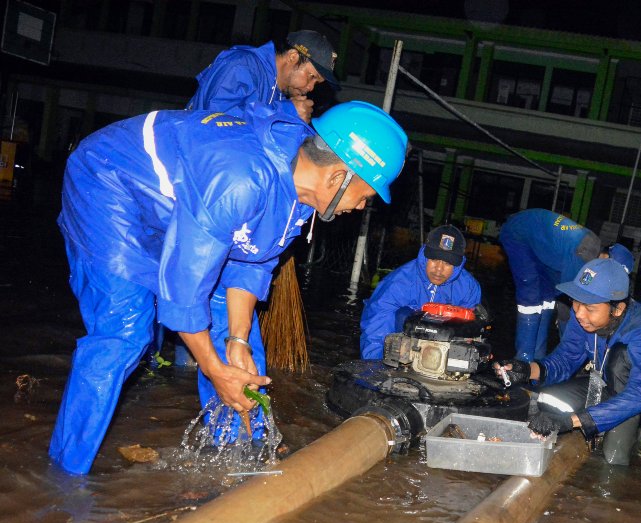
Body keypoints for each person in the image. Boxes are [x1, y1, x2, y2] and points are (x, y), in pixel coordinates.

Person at [48, 100, 409, 475]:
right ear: (338, 178)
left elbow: (250, 261)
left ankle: (231, 453)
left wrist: (236, 342)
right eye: (366, 196)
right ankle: (64, 473)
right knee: (124, 332)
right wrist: (214, 370)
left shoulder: (299, 192)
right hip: (110, 185)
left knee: (238, 338)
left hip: (182, 205)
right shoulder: (240, 179)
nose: (363, 206)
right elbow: (183, 294)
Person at [495, 258, 641, 466]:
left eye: (590, 308)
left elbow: (640, 395)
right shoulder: (582, 316)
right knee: (549, 401)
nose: (579, 313)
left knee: (621, 361)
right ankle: (613, 426)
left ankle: (617, 457)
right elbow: (565, 359)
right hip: (613, 383)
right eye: (576, 302)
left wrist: (573, 420)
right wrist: (526, 370)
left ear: (616, 309)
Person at [359, 225, 482, 360]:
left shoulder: (469, 288)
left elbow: (471, 333)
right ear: (425, 255)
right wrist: (375, 362)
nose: (439, 269)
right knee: (402, 315)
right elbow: (376, 324)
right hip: (403, 347)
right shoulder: (399, 282)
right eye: (434, 259)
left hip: (443, 352)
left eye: (448, 263)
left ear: (458, 265)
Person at [499, 208, 601, 361]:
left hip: (543, 246)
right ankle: (523, 362)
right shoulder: (581, 255)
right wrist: (574, 352)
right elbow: (569, 303)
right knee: (530, 296)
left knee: (547, 297)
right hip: (518, 234)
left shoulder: (593, 249)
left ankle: (538, 362)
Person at [188, 30, 338, 124]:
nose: (311, 87)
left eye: (316, 83)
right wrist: (284, 112)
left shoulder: (277, 92)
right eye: (312, 76)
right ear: (293, 57)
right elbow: (215, 119)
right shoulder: (241, 65)